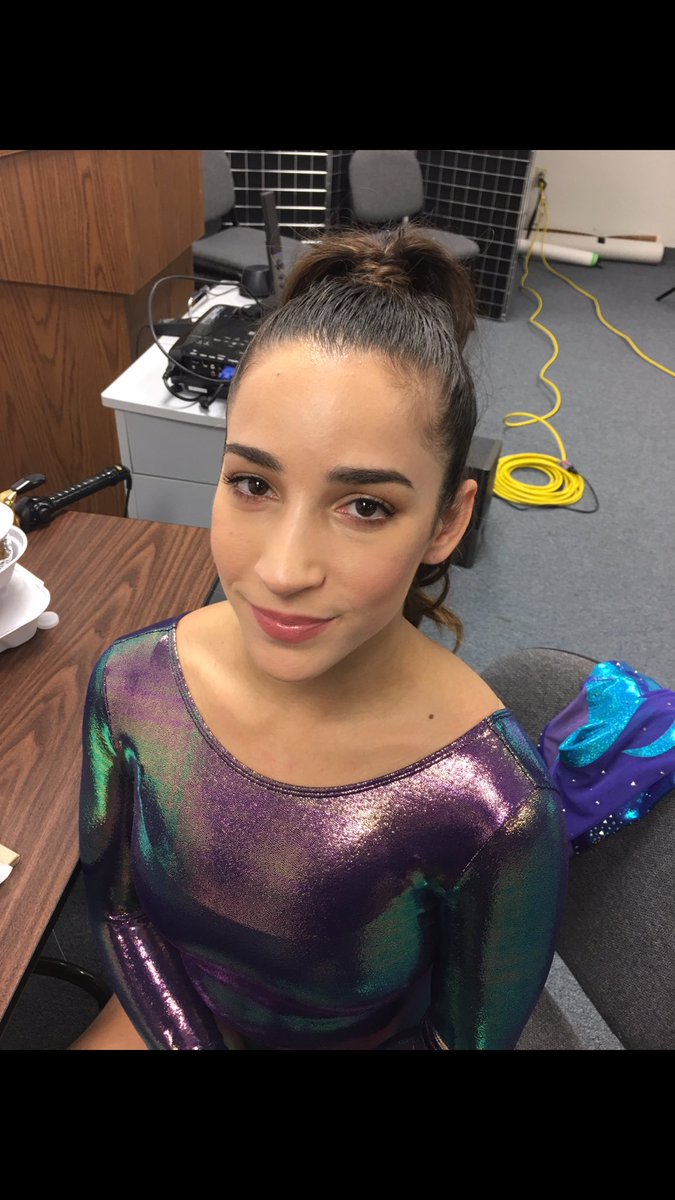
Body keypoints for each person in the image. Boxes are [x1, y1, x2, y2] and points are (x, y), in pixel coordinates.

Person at [71, 225, 568, 1051]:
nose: (283, 569)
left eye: (365, 506)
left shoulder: (490, 807)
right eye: (253, 483)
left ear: (446, 522)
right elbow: (119, 912)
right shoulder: (132, 685)